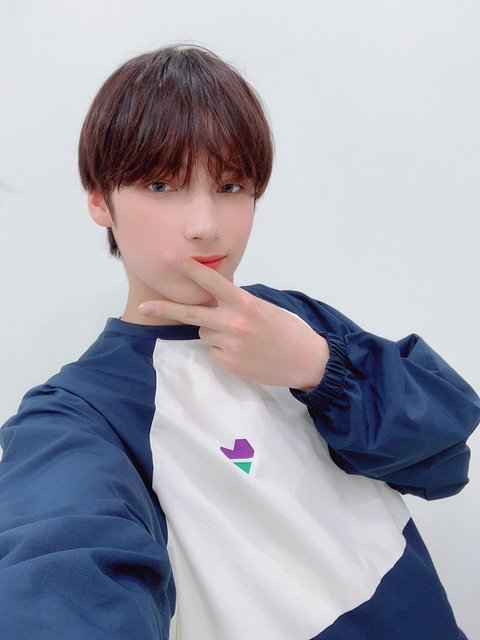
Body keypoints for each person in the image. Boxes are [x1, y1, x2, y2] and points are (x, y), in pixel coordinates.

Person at [0, 45, 478, 640]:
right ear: (100, 199)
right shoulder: (82, 415)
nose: (205, 225)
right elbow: (60, 573)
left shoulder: (293, 320)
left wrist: (318, 367)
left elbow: (444, 461)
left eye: (230, 185)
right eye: (161, 184)